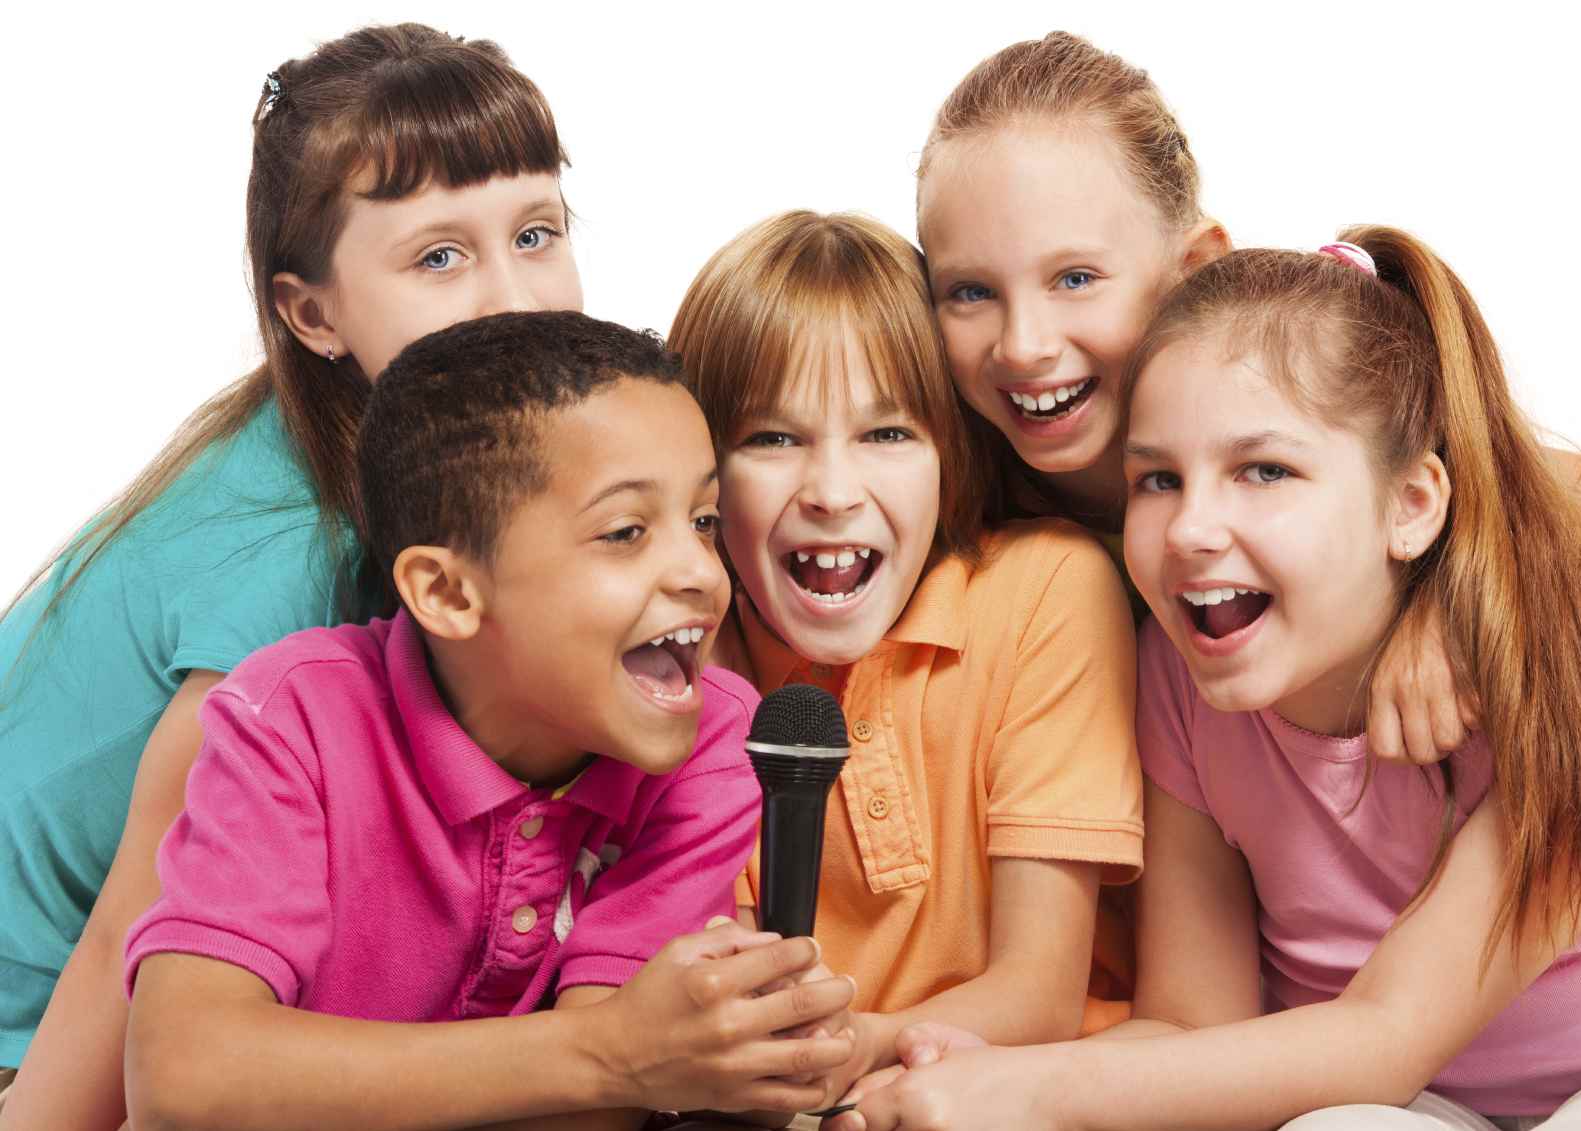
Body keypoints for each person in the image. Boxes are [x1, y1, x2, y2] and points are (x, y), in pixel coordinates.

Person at [837, 229, 1581, 1130]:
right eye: (1158, 479)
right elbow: (1189, 1023)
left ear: (1411, 505)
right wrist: (980, 1069)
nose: (1191, 528)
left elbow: (1390, 1031)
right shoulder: (1179, 681)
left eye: (1264, 470)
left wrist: (1033, 1089)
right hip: (1380, 1097)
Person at [0, 24, 592, 1128]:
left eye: (538, 231)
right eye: (439, 257)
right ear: (312, 314)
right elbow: (126, 934)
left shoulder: (434, 467)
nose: (516, 298)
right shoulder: (297, 563)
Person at [122, 310, 858, 1131]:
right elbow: (182, 1074)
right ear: (446, 592)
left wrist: (621, 1062)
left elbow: (595, 1115)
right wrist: (610, 1050)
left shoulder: (713, 743)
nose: (699, 572)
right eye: (625, 531)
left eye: (703, 521)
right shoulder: (292, 716)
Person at [914, 30, 1581, 762]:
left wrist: (1469, 607)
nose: (1023, 344)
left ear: (1192, 267)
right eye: (970, 291)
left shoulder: (1306, 407)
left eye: (1076, 278)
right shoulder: (944, 499)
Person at [669, 210, 1144, 1112]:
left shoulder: (1043, 591)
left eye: (887, 434)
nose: (834, 494)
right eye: (773, 438)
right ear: (703, 474)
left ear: (947, 451)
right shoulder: (689, 672)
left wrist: (846, 1048)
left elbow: (1039, 990)